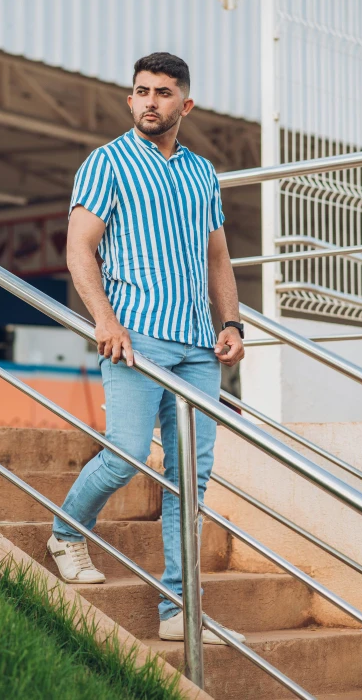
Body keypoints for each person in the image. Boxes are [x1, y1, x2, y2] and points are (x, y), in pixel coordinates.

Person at [47, 52, 246, 646]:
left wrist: (232, 322)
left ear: (185, 105)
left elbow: (216, 256)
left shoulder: (201, 173)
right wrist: (103, 320)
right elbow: (80, 248)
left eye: (162, 92)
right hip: (134, 337)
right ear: (130, 99)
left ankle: (176, 608)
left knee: (194, 475)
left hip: (197, 346)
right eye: (141, 91)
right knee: (128, 454)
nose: (149, 101)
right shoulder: (106, 163)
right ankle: (65, 532)